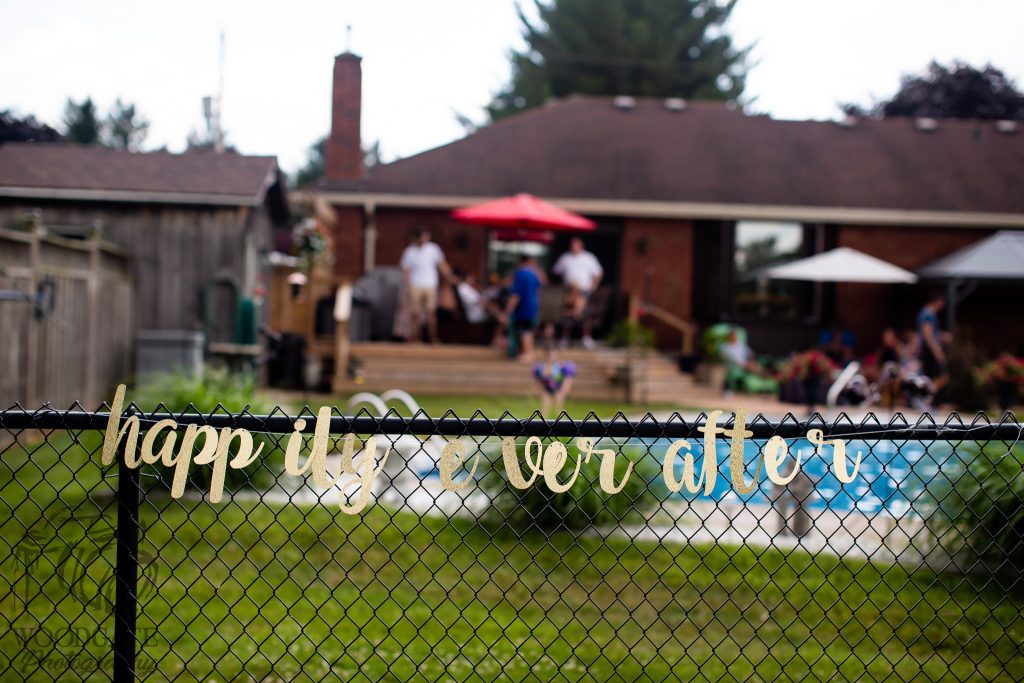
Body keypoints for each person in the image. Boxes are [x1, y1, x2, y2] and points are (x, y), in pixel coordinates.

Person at [399, 227, 452, 343]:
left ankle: (432, 337)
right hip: (415, 284)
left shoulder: (433, 249)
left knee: (431, 312)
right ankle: (416, 337)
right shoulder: (409, 251)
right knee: (415, 313)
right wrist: (408, 286)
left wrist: (450, 277)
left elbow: (442, 264)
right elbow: (406, 270)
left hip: (430, 284)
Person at [552, 237, 603, 348]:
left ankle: (586, 337)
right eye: (572, 245)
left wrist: (593, 286)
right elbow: (556, 271)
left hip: (584, 290)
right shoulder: (565, 257)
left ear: (581, 246)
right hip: (569, 291)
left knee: (584, 314)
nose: (573, 247)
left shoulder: (588, 257)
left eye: (576, 245)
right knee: (567, 314)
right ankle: (565, 338)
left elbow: (598, 272)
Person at [504, 254, 544, 362]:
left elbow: (516, 295)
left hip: (523, 307)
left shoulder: (520, 274)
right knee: (528, 329)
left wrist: (509, 308)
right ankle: (527, 352)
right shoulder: (534, 274)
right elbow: (539, 289)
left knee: (523, 330)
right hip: (533, 305)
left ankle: (527, 353)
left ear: (520, 262)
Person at [533, 325, 578, 417]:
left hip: (559, 389)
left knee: (559, 408)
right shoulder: (541, 366)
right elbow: (542, 377)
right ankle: (543, 426)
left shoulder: (563, 366)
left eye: (553, 352)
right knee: (544, 409)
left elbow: (567, 379)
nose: (550, 355)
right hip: (547, 389)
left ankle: (562, 426)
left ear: (557, 353)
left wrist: (564, 390)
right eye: (548, 353)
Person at [917, 290, 949, 392]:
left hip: (926, 349)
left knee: (929, 377)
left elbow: (931, 332)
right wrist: (937, 352)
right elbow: (928, 335)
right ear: (938, 301)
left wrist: (942, 336)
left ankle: (926, 395)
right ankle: (927, 394)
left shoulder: (925, 312)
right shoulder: (929, 314)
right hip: (929, 350)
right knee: (944, 376)